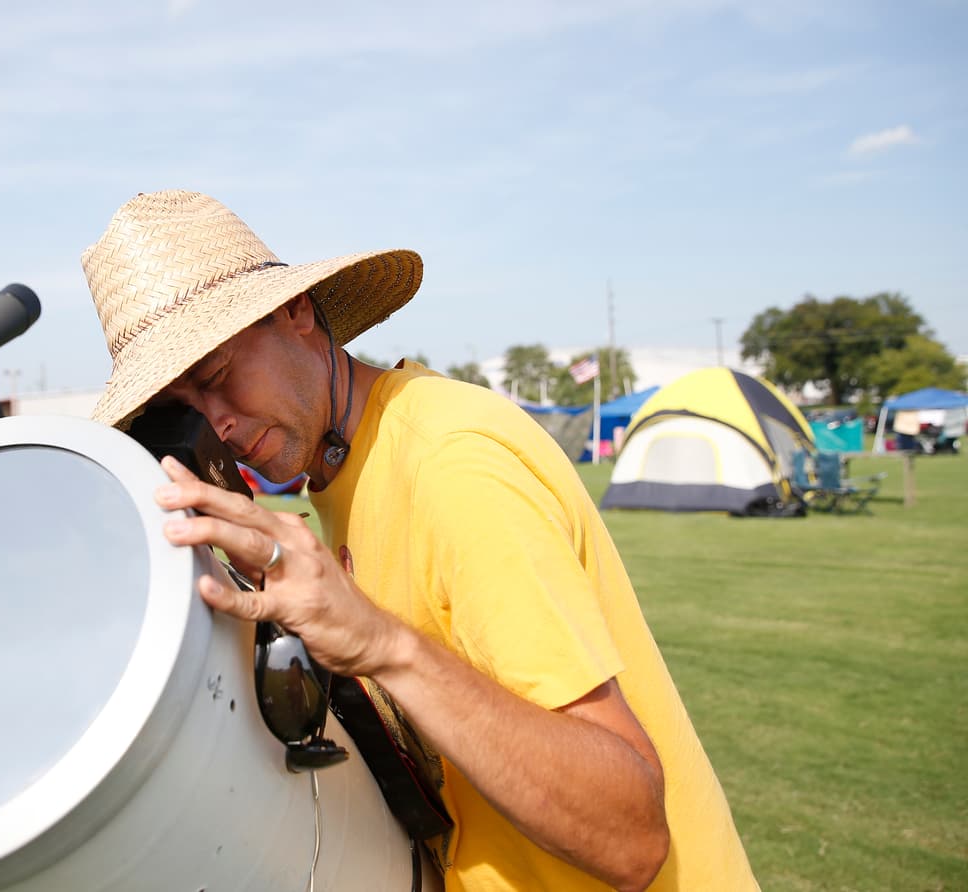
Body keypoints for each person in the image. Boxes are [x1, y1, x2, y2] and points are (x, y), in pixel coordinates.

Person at [80, 190, 759, 892]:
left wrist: (383, 643)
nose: (216, 424)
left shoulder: (447, 461)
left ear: (297, 311)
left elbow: (631, 836)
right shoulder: (344, 473)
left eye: (217, 375)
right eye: (184, 412)